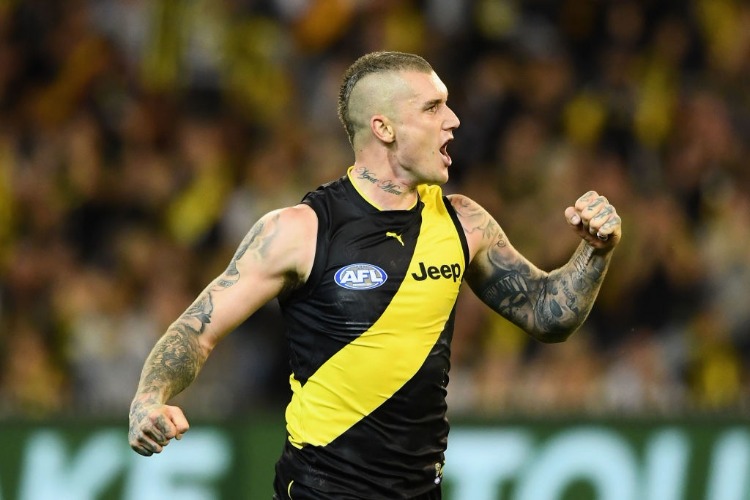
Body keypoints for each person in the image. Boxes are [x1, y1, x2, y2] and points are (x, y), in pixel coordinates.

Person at [128, 51, 622, 499]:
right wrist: (148, 401)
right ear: (384, 128)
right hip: (322, 490)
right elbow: (196, 330)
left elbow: (547, 315)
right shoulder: (301, 231)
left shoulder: (463, 222)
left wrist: (593, 253)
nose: (452, 121)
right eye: (432, 108)